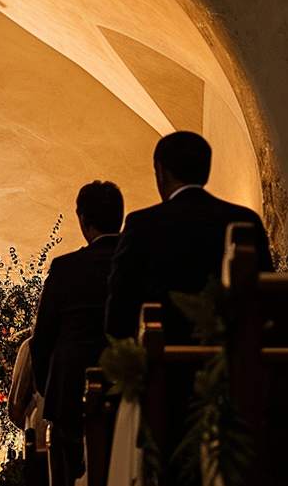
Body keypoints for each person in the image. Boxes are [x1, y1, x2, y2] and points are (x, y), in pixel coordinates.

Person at [31, 180, 124, 486]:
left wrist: (53, 386)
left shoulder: (66, 268)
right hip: (126, 389)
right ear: (120, 216)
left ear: (83, 221)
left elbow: (42, 339)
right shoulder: (134, 257)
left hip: (70, 398)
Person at [105, 131, 274, 342]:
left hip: (166, 354)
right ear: (206, 171)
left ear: (161, 172)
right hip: (229, 354)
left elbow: (122, 299)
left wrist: (121, 352)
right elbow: (267, 291)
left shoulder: (143, 224)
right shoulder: (244, 218)